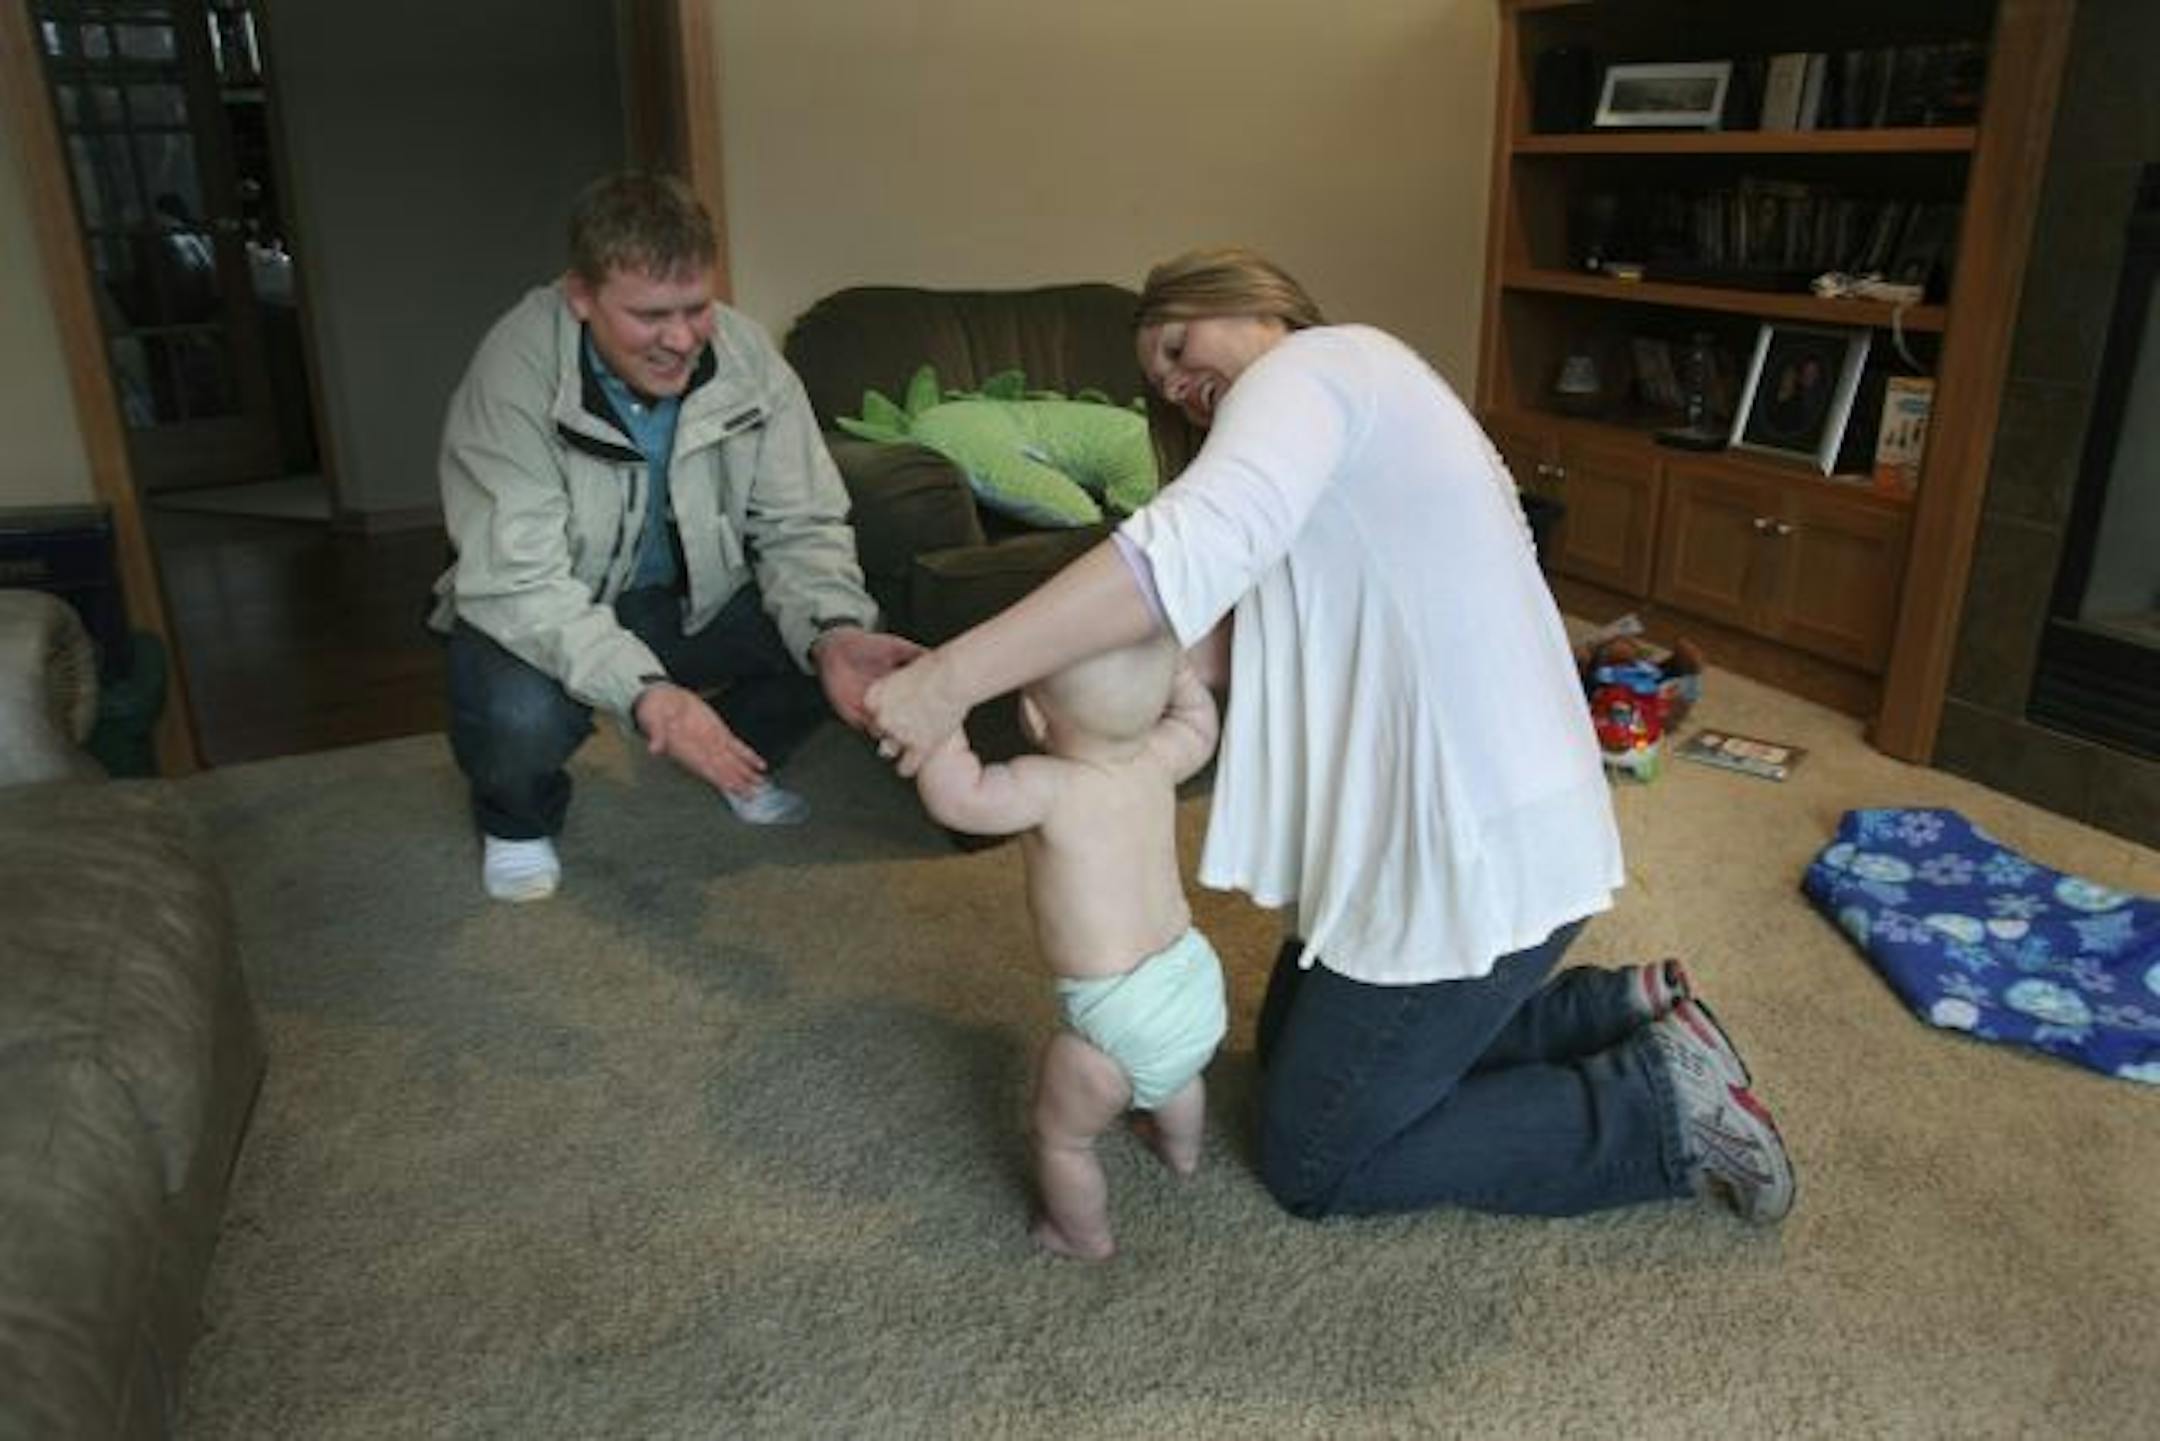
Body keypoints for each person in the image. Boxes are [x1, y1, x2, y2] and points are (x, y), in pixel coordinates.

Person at [866, 247, 1796, 1225]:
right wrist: (922, 660)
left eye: (1177, 346)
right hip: (1450, 836)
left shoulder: (1317, 368)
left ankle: (1663, 1107)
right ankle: (1615, 1009)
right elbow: (1184, 641)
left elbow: (1167, 562)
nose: (1177, 386)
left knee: (1315, 1157)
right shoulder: (1339, 435)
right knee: (1295, 1064)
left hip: (1468, 849)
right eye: (1163, 387)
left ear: (1253, 301)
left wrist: (949, 680)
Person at [429, 173, 918, 901]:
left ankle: (731, 752)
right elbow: (518, 580)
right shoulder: (515, 370)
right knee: (516, 716)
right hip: (544, 600)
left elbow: (801, 524)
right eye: (651, 315)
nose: (682, 338)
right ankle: (517, 817)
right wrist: (647, 692)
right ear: (582, 296)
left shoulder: (749, 359)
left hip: (692, 600)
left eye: (697, 307)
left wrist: (832, 631)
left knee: (846, 639)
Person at [913, 634, 1224, 1259]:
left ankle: (1078, 1233)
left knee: (1061, 1139)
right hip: (1193, 977)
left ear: (1032, 714)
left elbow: (957, 797)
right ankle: (1181, 1152)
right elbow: (1200, 726)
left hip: (1117, 1013)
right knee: (1177, 1069)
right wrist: (1185, 681)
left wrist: (939, 722)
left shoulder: (1044, 785)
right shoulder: (1160, 759)